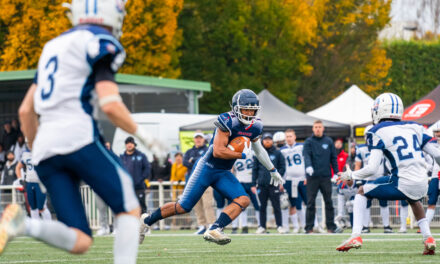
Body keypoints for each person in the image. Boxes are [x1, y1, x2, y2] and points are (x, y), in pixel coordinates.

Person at [7, 1, 166, 262]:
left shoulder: (52, 46)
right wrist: (146, 136)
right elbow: (110, 104)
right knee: (129, 208)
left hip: (46, 145)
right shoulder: (99, 41)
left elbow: (26, 111)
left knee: (80, 239)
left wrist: (39, 151)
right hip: (77, 135)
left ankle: (24, 226)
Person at [140, 89, 285, 245]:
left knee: (243, 200)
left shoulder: (256, 125)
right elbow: (218, 151)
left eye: (252, 110)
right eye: (246, 109)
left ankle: (215, 229)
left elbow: (259, 149)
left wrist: (272, 170)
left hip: (223, 172)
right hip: (207, 168)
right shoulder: (228, 121)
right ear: (236, 108)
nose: (249, 113)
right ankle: (146, 221)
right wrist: (241, 154)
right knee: (184, 206)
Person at [336, 93, 439, 255]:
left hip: (402, 182)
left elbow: (371, 168)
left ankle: (355, 235)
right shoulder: (416, 126)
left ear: (380, 110)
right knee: (413, 199)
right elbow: (437, 154)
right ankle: (428, 238)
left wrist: (352, 175)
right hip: (421, 182)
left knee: (362, 192)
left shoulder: (376, 131)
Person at [303, 120, 340, 233]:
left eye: (319, 127)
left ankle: (331, 227)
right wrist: (308, 166)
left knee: (328, 202)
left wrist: (336, 173)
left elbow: (333, 158)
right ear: (313, 129)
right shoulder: (308, 141)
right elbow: (306, 155)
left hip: (325, 177)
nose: (318, 129)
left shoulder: (328, 141)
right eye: (316, 127)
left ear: (323, 128)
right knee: (310, 203)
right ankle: (309, 228)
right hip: (312, 177)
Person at [355, 125, 392, 233]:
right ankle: (365, 226)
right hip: (368, 180)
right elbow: (358, 164)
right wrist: (357, 178)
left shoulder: (382, 146)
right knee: (366, 204)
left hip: (381, 178)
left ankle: (386, 226)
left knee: (384, 203)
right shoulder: (361, 148)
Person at [252, 133, 286, 234]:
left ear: (272, 141)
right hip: (262, 185)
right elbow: (255, 169)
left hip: (274, 185)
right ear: (262, 141)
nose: (267, 141)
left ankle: (279, 226)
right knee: (262, 207)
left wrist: (278, 178)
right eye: (265, 139)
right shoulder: (259, 153)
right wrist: (253, 184)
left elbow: (282, 167)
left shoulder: (278, 153)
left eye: (269, 139)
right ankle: (262, 226)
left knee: (276, 206)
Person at [183, 131, 215, 235]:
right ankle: (202, 226)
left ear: (203, 139)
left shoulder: (207, 149)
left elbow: (206, 161)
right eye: (196, 138)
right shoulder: (189, 151)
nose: (198, 139)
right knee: (197, 205)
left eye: (200, 138)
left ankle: (211, 225)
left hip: (206, 180)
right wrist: (196, 161)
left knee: (207, 204)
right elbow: (184, 162)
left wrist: (193, 161)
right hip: (193, 182)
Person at [280, 129, 307, 233]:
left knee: (306, 202)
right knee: (291, 204)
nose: (289, 138)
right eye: (287, 136)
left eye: (290, 136)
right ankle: (295, 226)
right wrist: (282, 181)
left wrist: (306, 176)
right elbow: (282, 167)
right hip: (289, 180)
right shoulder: (282, 150)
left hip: (302, 179)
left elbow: (307, 160)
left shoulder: (301, 146)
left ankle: (307, 225)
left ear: (295, 137)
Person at [15, 147, 51, 221]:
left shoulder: (42, 150)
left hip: (40, 182)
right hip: (30, 182)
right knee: (32, 207)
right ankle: (36, 228)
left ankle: (49, 226)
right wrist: (20, 179)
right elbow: (18, 167)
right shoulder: (26, 153)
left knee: (41, 207)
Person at [120, 136, 151, 214]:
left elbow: (147, 168)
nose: (129, 145)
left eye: (131, 143)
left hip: (139, 187)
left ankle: (144, 224)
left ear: (134, 144)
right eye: (127, 143)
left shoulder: (141, 156)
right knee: (127, 208)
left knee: (141, 207)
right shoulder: (122, 157)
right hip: (127, 189)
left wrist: (140, 179)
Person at [232, 151, 260, 234]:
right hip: (240, 182)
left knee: (257, 205)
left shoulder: (253, 153)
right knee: (241, 206)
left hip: (252, 182)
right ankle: (243, 226)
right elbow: (231, 169)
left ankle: (260, 226)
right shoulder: (235, 154)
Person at [425, 121, 440, 226]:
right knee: (431, 202)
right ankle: (424, 226)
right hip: (435, 175)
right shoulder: (432, 145)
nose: (438, 134)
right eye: (436, 132)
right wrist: (427, 167)